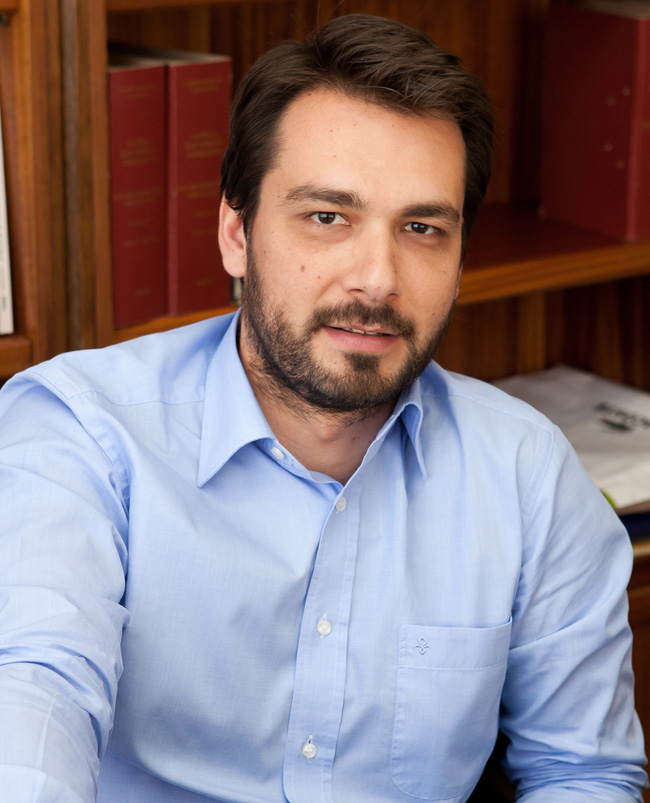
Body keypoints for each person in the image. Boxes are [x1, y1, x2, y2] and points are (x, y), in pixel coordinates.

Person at [0, 13, 646, 803]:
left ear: (459, 263)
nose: (377, 278)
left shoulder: (527, 474)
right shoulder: (79, 433)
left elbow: (582, 774)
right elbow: (34, 691)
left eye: (422, 228)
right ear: (236, 234)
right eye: (327, 217)